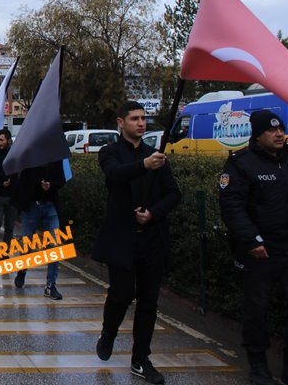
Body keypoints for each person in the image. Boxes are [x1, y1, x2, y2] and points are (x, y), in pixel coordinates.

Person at [92, 101, 180, 384]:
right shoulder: (110, 152)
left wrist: (153, 213)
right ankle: (109, 332)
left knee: (148, 302)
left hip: (151, 239)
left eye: (144, 118)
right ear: (121, 122)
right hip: (121, 239)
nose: (141, 123)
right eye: (135, 118)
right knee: (121, 294)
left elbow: (173, 194)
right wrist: (144, 165)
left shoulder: (156, 156)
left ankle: (140, 358)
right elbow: (115, 174)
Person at [219, 109, 288, 385]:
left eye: (281, 129)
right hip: (259, 252)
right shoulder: (241, 164)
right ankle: (258, 366)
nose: (279, 134)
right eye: (272, 130)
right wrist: (251, 240)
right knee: (257, 309)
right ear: (258, 134)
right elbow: (232, 207)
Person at [11, 161, 65, 300]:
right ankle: (22, 270)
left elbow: (61, 180)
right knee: (26, 244)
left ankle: (51, 285)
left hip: (50, 206)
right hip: (31, 207)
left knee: (54, 245)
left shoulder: (55, 157)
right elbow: (21, 182)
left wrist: (50, 185)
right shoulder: (29, 157)